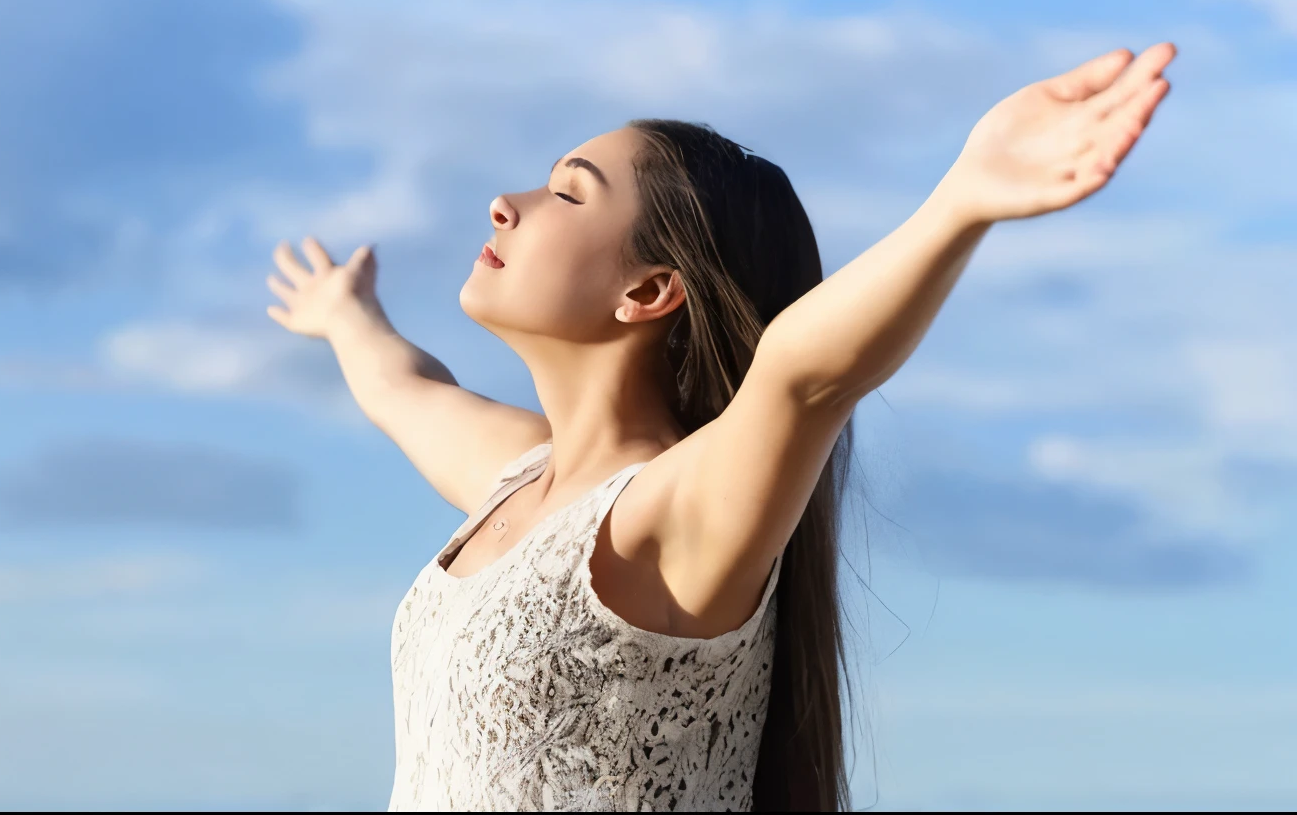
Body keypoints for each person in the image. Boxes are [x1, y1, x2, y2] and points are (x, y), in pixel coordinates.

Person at [265, 43, 1176, 812]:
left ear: (651, 290)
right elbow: (405, 388)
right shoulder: (519, 483)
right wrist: (348, 317)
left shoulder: (665, 520)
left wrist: (961, 202)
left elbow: (803, 376)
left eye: (568, 195)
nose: (507, 204)